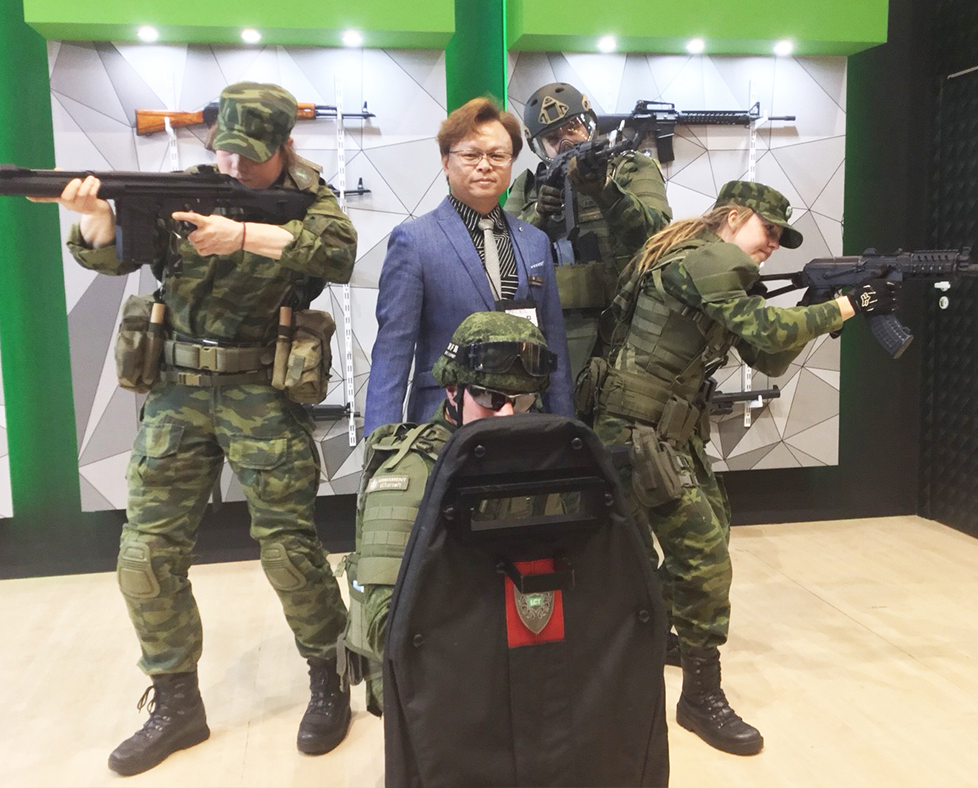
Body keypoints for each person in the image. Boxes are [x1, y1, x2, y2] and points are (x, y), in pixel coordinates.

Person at [54, 82, 358, 775]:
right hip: (177, 394)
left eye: (250, 155)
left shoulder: (310, 201)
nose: (233, 166)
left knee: (288, 547)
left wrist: (243, 234)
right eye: (224, 151)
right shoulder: (181, 191)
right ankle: (176, 704)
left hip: (261, 392)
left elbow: (337, 253)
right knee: (146, 553)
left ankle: (329, 678)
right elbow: (113, 256)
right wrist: (94, 218)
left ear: (284, 148)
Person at [590, 180, 898, 756]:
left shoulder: (706, 264)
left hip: (664, 430)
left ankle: (655, 633)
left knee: (705, 535)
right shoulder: (709, 258)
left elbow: (767, 356)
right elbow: (767, 332)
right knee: (703, 555)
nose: (773, 245)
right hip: (638, 429)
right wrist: (847, 304)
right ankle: (699, 697)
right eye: (768, 230)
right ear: (733, 217)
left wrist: (816, 311)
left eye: (781, 237)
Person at [343, 311, 557, 714]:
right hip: (437, 686)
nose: (507, 416)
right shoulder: (410, 475)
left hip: (517, 667)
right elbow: (385, 625)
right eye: (491, 399)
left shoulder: (536, 460)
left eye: (522, 401)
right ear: (452, 390)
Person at [364, 97, 573, 432]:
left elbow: (555, 349)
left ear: (511, 162)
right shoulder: (414, 241)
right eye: (471, 155)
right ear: (446, 162)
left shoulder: (534, 241)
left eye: (497, 155)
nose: (485, 165)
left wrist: (564, 431)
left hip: (523, 421)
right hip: (444, 422)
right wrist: (381, 444)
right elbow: (392, 352)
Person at [504, 82, 672, 378]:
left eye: (573, 128)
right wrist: (538, 213)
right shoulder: (528, 186)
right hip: (551, 332)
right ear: (538, 146)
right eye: (553, 138)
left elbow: (656, 234)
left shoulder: (631, 168)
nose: (566, 143)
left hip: (626, 325)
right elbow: (504, 252)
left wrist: (605, 190)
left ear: (589, 126)